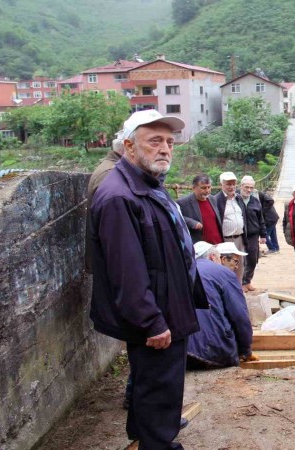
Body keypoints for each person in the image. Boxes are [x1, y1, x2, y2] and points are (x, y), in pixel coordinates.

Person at [89, 109, 208, 448]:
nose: (165, 149)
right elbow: (125, 270)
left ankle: (143, 435)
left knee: (151, 381)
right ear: (128, 146)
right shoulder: (119, 196)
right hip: (157, 312)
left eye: (170, 142)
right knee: (161, 388)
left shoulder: (147, 184)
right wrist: (151, 322)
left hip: (167, 301)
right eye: (154, 141)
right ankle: (158, 442)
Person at [187, 241, 254, 369]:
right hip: (214, 350)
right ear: (213, 257)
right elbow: (239, 315)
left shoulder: (182, 271)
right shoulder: (223, 273)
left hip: (181, 350)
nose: (236, 266)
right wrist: (245, 349)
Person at [84, 135, 125, 272]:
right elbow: (114, 232)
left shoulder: (112, 168)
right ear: (127, 148)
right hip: (111, 264)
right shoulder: (111, 173)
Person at [213, 171, 249, 283]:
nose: (232, 187)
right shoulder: (216, 200)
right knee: (226, 266)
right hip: (225, 240)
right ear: (221, 184)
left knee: (240, 265)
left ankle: (238, 288)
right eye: (228, 184)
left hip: (239, 238)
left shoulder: (239, 198)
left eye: (233, 184)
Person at [177, 174, 223, 244]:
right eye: (203, 188)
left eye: (209, 187)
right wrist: (192, 222)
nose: (207, 191)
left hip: (218, 242)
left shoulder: (213, 199)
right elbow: (176, 218)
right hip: (200, 245)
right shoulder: (183, 202)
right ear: (194, 188)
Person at [239, 175, 266, 292]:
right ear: (241, 186)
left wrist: (263, 234)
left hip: (253, 234)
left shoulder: (255, 201)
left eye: (251, 187)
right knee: (240, 260)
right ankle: (240, 282)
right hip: (239, 234)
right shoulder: (235, 199)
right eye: (246, 187)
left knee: (252, 259)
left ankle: (247, 281)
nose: (249, 190)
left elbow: (261, 218)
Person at [259, 188, 280, 254]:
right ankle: (276, 248)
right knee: (273, 234)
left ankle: (272, 248)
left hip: (270, 219)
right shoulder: (260, 195)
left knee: (265, 235)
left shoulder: (259, 194)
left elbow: (271, 200)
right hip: (273, 217)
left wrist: (263, 210)